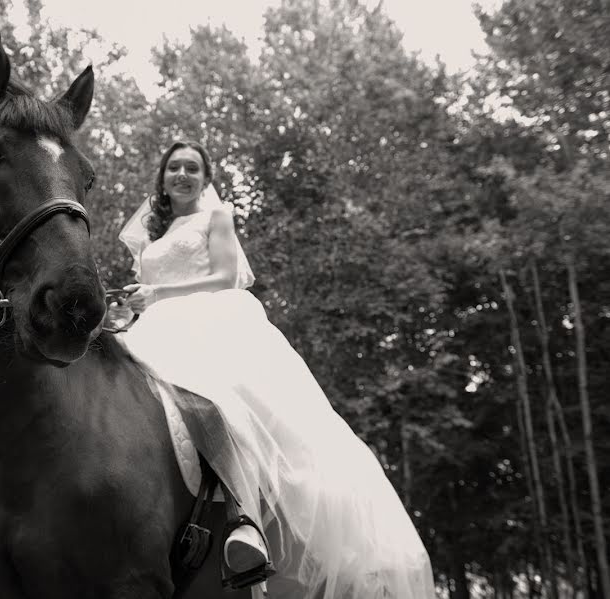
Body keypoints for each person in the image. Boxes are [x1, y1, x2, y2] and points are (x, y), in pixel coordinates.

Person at [115, 140, 436, 598]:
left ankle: (244, 520)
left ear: (205, 179)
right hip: (153, 325)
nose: (182, 174)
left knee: (218, 399)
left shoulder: (216, 217)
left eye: (192, 168)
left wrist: (160, 294)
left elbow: (227, 276)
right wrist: (136, 300)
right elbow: (149, 286)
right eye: (174, 168)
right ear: (162, 178)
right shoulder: (151, 234)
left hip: (207, 317)